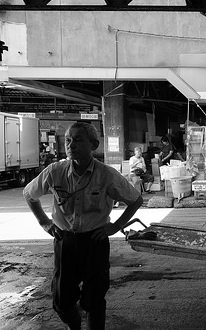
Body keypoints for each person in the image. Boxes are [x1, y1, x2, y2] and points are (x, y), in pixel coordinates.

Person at [23, 122, 143, 330]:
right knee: (61, 300)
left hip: (94, 242)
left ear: (94, 144)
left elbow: (136, 200)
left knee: (95, 300)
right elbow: (29, 194)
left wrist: (115, 226)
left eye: (78, 140)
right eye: (68, 140)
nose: (71, 145)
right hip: (65, 241)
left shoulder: (106, 175)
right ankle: (74, 326)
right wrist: (44, 221)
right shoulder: (55, 171)